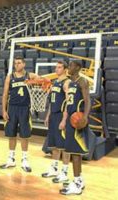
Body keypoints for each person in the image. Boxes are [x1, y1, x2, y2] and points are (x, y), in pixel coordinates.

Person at [0, 57, 39, 172]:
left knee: (24, 135)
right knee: (11, 134)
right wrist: (4, 110)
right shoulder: (10, 77)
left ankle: (24, 160)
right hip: (12, 108)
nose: (16, 65)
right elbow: (5, 95)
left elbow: (41, 80)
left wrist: (37, 81)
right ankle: (11, 159)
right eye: (15, 63)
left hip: (24, 108)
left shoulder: (30, 75)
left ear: (24, 64)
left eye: (19, 63)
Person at [60, 61, 91, 195]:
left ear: (78, 68)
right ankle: (79, 180)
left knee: (76, 153)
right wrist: (66, 120)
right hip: (70, 121)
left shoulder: (82, 81)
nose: (69, 68)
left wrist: (85, 117)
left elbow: (88, 100)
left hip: (77, 121)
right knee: (73, 152)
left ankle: (77, 184)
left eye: (71, 65)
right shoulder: (70, 83)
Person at [41, 61, 71, 183]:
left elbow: (69, 103)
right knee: (53, 144)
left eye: (59, 67)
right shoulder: (54, 83)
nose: (56, 69)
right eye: (56, 67)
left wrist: (64, 119)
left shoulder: (67, 82)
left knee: (63, 146)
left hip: (61, 116)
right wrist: (48, 115)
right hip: (53, 115)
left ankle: (64, 172)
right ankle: (54, 168)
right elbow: (52, 102)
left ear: (65, 69)